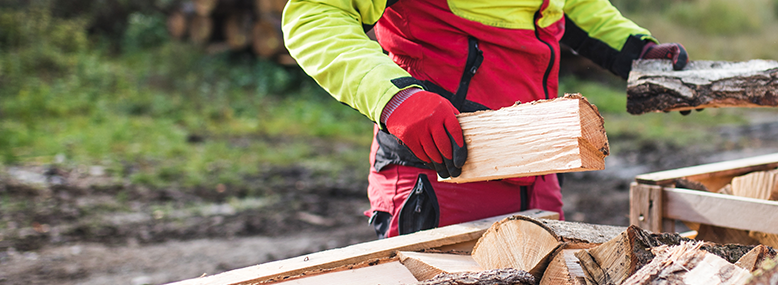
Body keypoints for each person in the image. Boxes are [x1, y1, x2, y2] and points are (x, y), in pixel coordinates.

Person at [282, 0, 688, 238]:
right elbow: (315, 16)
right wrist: (397, 99)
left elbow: (571, 7)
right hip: (441, 174)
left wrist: (636, 47)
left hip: (537, 169)